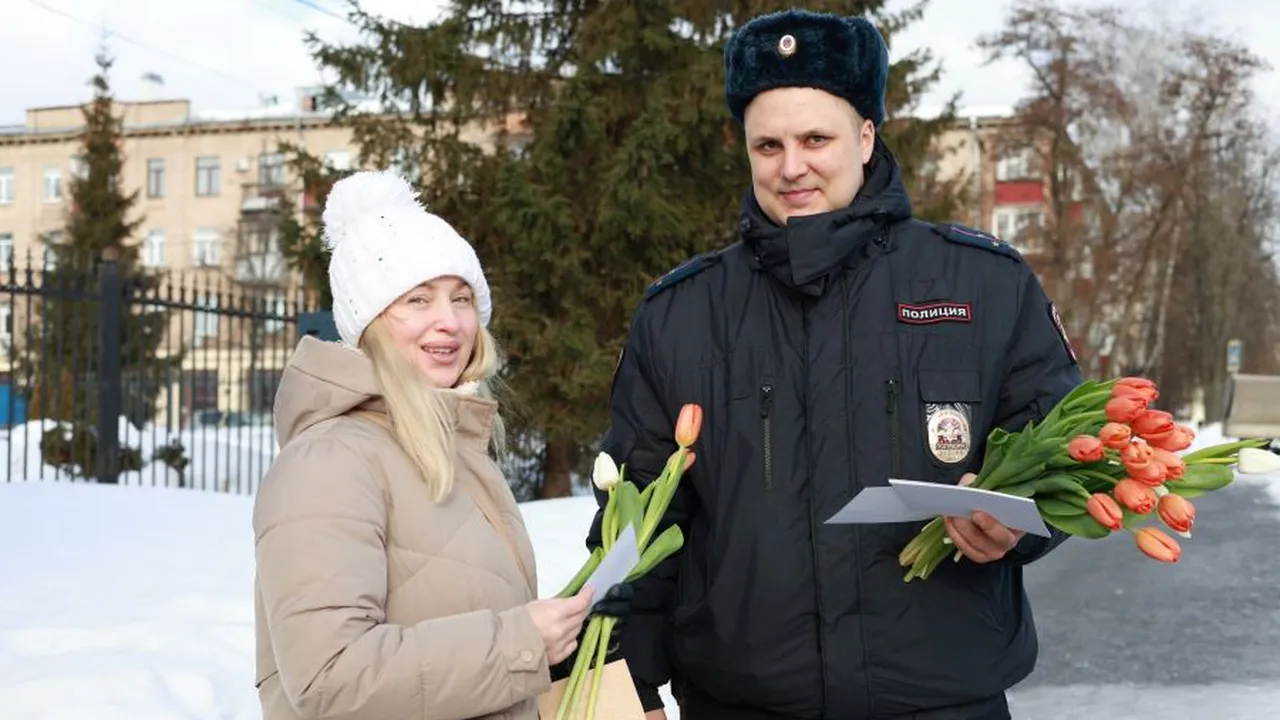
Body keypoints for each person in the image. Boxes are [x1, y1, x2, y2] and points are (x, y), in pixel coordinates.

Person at [588, 9, 1083, 720]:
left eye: (816, 138)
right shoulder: (682, 314)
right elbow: (633, 525)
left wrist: (1020, 523)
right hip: (741, 706)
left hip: (940, 703)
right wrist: (623, 690)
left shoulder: (984, 286)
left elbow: (1065, 452)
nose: (792, 167)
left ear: (866, 135)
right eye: (768, 145)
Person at [252, 169, 627, 720]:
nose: (449, 323)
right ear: (370, 322)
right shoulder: (330, 461)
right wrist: (521, 643)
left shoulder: (454, 450)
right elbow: (328, 678)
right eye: (417, 300)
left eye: (461, 299)